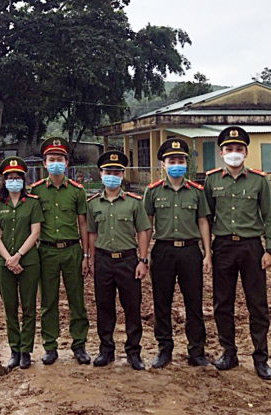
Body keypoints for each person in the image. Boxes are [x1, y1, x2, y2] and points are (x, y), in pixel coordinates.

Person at [204, 126, 271, 380]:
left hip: (251, 248)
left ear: (246, 153)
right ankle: (229, 352)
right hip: (223, 247)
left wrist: (270, 249)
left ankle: (261, 358)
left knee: (257, 304)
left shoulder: (259, 180)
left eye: (238, 149)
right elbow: (207, 216)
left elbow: (269, 215)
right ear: (221, 152)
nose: (233, 153)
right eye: (229, 149)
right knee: (222, 303)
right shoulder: (212, 180)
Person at [143, 139, 212, 369]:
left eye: (180, 160)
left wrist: (207, 253)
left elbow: (203, 222)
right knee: (161, 303)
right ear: (163, 164)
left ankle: (196, 351)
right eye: (171, 161)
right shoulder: (152, 192)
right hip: (163, 251)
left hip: (190, 251)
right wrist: (142, 256)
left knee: (194, 302)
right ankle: (164, 349)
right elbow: (147, 226)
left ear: (186, 163)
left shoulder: (196, 191)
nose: (176, 164)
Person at [86, 150, 151, 370]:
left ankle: (134, 352)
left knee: (132, 307)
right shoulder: (93, 203)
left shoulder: (134, 203)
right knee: (104, 307)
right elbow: (92, 234)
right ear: (101, 174)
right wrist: (92, 259)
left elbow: (142, 230)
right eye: (107, 172)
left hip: (128, 260)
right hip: (103, 260)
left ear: (122, 175)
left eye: (116, 172)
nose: (111, 175)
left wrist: (143, 260)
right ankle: (106, 350)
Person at [29, 137, 91, 366]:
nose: (56, 163)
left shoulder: (77, 191)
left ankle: (79, 345)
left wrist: (86, 255)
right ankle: (50, 346)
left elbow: (83, 224)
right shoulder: (35, 192)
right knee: (48, 301)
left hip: (72, 250)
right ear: (44, 164)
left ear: (66, 163)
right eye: (51, 159)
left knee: (77, 300)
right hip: (46, 252)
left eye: (60, 159)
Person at [0, 157, 43, 370]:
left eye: (17, 177)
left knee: (29, 307)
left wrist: (18, 255)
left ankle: (26, 351)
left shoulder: (32, 203)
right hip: (4, 265)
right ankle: (14, 349)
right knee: (10, 308)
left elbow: (35, 232)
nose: (14, 181)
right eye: (10, 178)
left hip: (28, 262)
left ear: (23, 180)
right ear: (4, 181)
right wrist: (9, 259)